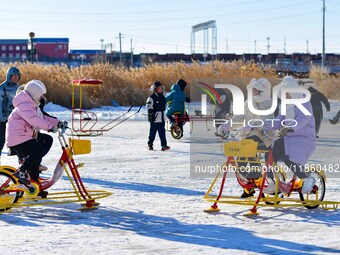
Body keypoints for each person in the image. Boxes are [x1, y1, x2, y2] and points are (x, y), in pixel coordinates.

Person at [217, 78, 277, 198]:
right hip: (249, 136)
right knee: (240, 159)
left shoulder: (269, 103)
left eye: (255, 90)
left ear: (262, 91)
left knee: (249, 152)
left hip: (264, 136)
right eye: (252, 89)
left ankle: (258, 179)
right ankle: (249, 185)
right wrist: (228, 125)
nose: (253, 92)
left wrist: (252, 125)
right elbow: (241, 117)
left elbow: (266, 120)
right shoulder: (248, 103)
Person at [265, 76, 316, 194]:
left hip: (304, 139)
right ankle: (273, 180)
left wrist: (290, 127)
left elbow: (304, 119)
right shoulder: (285, 105)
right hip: (288, 139)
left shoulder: (304, 102)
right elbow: (278, 121)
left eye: (287, 93)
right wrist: (265, 126)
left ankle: (307, 178)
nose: (286, 96)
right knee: (270, 152)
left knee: (290, 157)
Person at [7, 80, 63, 186]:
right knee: (37, 149)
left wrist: (58, 123)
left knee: (42, 148)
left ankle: (35, 186)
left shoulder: (32, 104)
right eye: (41, 95)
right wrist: (49, 127)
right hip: (18, 137)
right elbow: (33, 119)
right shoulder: (24, 105)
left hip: (24, 135)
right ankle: (22, 171)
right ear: (35, 94)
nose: (42, 97)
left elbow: (42, 117)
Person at [0, 67, 21, 163]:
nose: (16, 78)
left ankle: (23, 162)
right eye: (14, 76)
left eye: (17, 76)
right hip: (3, 120)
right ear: (9, 76)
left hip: (14, 119)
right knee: (1, 141)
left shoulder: (18, 88)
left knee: (20, 141)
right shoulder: (2, 88)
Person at [146, 81, 170, 151]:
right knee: (152, 134)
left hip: (161, 119)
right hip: (154, 119)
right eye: (159, 88)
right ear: (155, 89)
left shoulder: (163, 97)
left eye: (161, 88)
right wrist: (152, 114)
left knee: (162, 133)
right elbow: (148, 106)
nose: (161, 89)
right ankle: (150, 144)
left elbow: (165, 106)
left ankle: (164, 146)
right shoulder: (151, 97)